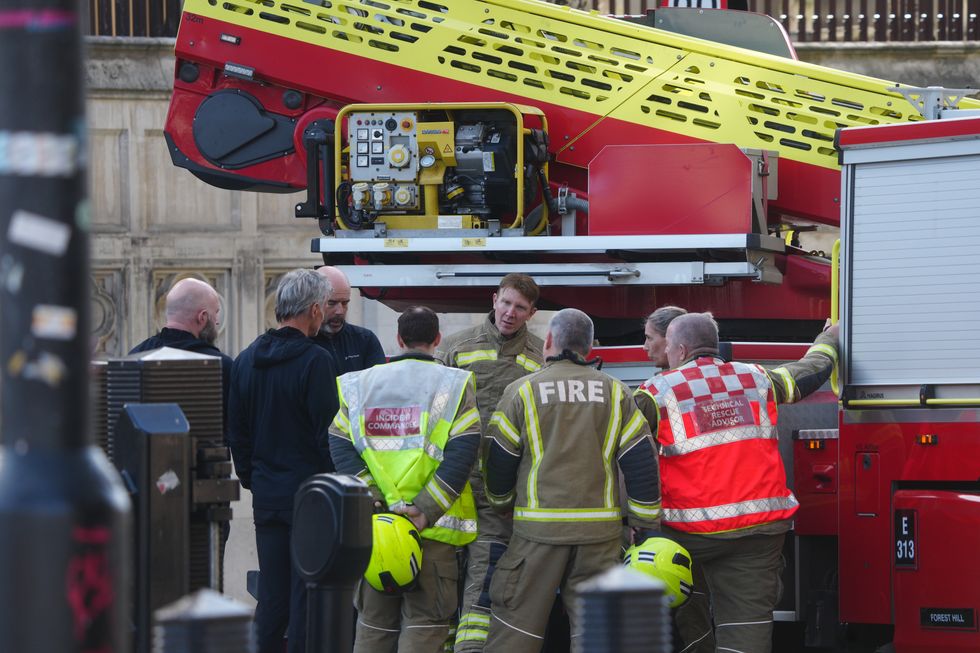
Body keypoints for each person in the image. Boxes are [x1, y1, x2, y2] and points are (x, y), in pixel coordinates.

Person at [634, 313, 839, 653]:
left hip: (689, 534)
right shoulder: (756, 378)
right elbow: (811, 371)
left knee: (679, 592)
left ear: (680, 349)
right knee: (747, 630)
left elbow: (618, 441)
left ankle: (697, 643)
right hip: (758, 534)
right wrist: (829, 338)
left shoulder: (656, 391)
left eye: (667, 347)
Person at [482, 308, 662, 652]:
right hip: (599, 537)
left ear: (549, 340)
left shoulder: (521, 391)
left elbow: (499, 460)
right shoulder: (616, 393)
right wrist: (643, 522)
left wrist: (501, 503)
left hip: (537, 534)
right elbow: (640, 461)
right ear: (590, 348)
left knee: (515, 627)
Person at [330, 306, 482, 653]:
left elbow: (338, 441)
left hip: (378, 532)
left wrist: (372, 499)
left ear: (397, 339)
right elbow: (463, 453)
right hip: (433, 533)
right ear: (438, 340)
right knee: (426, 627)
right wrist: (425, 510)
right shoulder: (454, 385)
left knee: (373, 626)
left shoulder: (360, 385)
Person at [228, 268, 340, 653]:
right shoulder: (316, 361)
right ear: (312, 310)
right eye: (324, 307)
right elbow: (328, 436)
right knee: (306, 597)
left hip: (268, 497)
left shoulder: (245, 360)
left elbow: (237, 434)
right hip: (311, 499)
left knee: (272, 599)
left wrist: (255, 479)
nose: (325, 315)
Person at [436, 273, 544, 653]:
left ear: (532, 313)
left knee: (487, 566)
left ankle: (471, 648)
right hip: (453, 480)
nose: (509, 313)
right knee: (447, 564)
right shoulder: (455, 347)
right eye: (506, 303)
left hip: (503, 486)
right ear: (494, 298)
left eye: (520, 308)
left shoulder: (539, 356)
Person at [129, 276, 233, 410]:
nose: (217, 321)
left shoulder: (135, 356)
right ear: (202, 317)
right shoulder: (221, 366)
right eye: (216, 313)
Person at [313, 266, 386, 373]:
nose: (340, 311)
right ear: (314, 303)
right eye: (331, 303)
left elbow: (379, 385)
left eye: (345, 303)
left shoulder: (365, 340)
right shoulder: (301, 342)